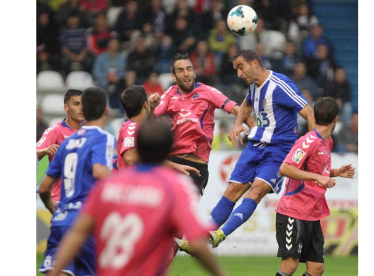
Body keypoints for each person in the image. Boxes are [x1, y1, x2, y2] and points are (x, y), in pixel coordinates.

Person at [45, 119, 228, 276]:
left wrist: (55, 270)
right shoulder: (174, 187)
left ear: (137, 147)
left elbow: (78, 232)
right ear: (168, 150)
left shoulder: (108, 184)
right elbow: (196, 243)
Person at [203, 49, 315, 250]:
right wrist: (237, 123)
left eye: (240, 67)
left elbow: (308, 112)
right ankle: (199, 238)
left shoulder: (279, 84)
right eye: (236, 69)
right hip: (255, 145)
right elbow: (246, 105)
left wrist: (314, 147)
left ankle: (220, 234)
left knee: (256, 191)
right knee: (232, 190)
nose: (238, 73)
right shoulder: (254, 86)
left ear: (255, 63)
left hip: (279, 150)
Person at [149, 53, 256, 196]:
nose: (186, 74)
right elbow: (147, 119)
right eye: (181, 70)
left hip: (196, 166)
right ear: (174, 77)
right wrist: (150, 107)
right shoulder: (169, 94)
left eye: (189, 69)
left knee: (183, 213)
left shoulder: (207, 91)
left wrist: (254, 127)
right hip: (172, 161)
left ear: (194, 72)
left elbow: (237, 109)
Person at [275, 97, 355, 276]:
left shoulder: (327, 142)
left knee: (316, 269)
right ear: (335, 119)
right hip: (293, 212)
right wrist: (319, 177)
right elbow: (285, 168)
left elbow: (315, 171)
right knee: (290, 266)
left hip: (312, 214)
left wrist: (335, 172)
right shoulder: (309, 140)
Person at [39, 87, 115, 275]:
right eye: (75, 103)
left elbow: (43, 188)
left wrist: (51, 207)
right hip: (86, 218)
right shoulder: (103, 138)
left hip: (62, 217)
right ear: (106, 111)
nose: (79, 108)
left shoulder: (67, 143)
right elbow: (99, 171)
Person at [117, 85, 200, 176]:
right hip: (132, 185)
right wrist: (173, 165)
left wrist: (151, 109)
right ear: (145, 104)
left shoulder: (136, 126)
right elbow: (130, 158)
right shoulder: (131, 126)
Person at [36, 89, 84, 201]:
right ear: (66, 108)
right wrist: (45, 150)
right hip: (61, 199)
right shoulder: (55, 131)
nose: (81, 108)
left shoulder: (92, 131)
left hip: (85, 199)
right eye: (76, 104)